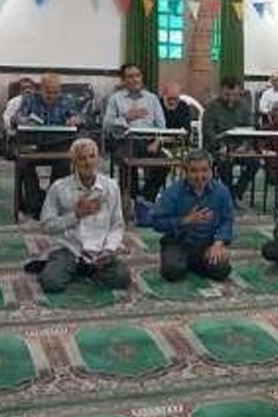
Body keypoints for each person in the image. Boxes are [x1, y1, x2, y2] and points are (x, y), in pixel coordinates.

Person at [37, 138, 128, 294]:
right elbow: (46, 225)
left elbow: (117, 226)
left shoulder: (111, 187)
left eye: (92, 157)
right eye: (82, 158)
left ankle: (84, 269)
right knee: (50, 282)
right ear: (74, 162)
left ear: (98, 159)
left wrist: (109, 249)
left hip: (99, 250)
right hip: (69, 248)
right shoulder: (59, 187)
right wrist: (76, 215)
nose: (88, 163)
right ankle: (77, 268)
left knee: (121, 278)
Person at [150, 149, 233, 282]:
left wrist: (218, 244)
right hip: (178, 243)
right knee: (172, 271)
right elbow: (156, 222)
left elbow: (227, 220)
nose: (200, 176)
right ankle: (187, 263)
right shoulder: (172, 193)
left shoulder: (221, 192)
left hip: (207, 243)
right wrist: (185, 220)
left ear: (211, 171)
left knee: (221, 271)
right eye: (194, 171)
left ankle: (193, 263)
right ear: (185, 172)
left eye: (204, 170)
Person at [16, 72, 83, 218]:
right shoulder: (30, 100)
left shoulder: (66, 101)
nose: (52, 96)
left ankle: (55, 202)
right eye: (48, 93)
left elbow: (79, 117)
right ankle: (34, 206)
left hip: (59, 143)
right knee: (25, 164)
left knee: (63, 164)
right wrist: (23, 120)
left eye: (55, 92)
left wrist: (75, 119)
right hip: (35, 143)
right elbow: (17, 118)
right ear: (41, 89)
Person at [102, 63, 165, 197]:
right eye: (130, 76)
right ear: (123, 80)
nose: (135, 79)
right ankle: (131, 198)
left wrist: (157, 142)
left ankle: (146, 197)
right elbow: (106, 125)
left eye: (137, 75)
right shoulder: (115, 99)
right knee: (127, 162)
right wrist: (126, 117)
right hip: (125, 141)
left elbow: (161, 126)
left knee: (165, 163)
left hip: (149, 141)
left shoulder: (152, 98)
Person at [201, 76, 259, 200]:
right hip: (218, 149)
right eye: (227, 95)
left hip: (240, 149)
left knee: (254, 163)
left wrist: (245, 146)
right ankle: (228, 197)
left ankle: (236, 191)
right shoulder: (212, 108)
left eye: (235, 95)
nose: (231, 99)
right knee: (225, 164)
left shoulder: (244, 107)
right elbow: (208, 132)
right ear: (221, 91)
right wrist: (220, 146)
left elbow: (250, 129)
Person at [142, 81, 193, 199]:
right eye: (170, 98)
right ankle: (148, 194)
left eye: (176, 99)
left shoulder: (183, 106)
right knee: (160, 162)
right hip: (156, 143)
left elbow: (186, 130)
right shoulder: (156, 105)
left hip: (177, 144)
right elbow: (152, 126)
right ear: (163, 95)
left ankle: (180, 194)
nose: (172, 101)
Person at [2, 76, 35, 143]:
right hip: (18, 132)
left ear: (34, 89)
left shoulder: (38, 101)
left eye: (30, 88)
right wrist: (13, 122)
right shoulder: (13, 102)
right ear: (20, 90)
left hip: (35, 130)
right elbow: (6, 118)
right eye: (24, 88)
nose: (27, 90)